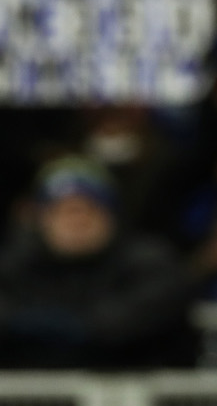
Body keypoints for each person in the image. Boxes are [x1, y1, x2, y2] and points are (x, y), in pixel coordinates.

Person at [0, 157, 193, 370]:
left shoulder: (151, 262)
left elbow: (133, 321)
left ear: (113, 216)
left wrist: (76, 327)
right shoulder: (16, 264)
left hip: (131, 393)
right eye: (64, 210)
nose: (77, 221)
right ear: (41, 219)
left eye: (90, 209)